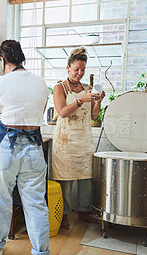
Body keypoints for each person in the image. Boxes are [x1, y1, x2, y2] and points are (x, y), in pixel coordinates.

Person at [0, 40, 54, 255]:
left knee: (0, 200)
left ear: (3, 60)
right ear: (22, 58)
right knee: (35, 203)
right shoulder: (41, 84)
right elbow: (38, 115)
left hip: (6, 150)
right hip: (33, 149)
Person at [52, 48, 105, 230]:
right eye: (76, 69)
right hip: (65, 142)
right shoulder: (60, 87)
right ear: (68, 68)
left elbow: (93, 116)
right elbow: (62, 112)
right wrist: (81, 100)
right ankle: (64, 214)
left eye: (83, 69)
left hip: (83, 142)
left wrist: (98, 101)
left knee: (86, 179)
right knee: (65, 180)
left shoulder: (87, 89)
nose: (80, 73)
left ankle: (84, 211)